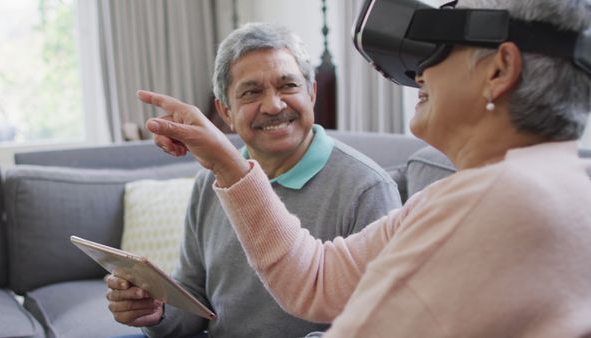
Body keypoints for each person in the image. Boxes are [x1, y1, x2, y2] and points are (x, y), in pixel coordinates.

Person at [133, 0, 591, 336]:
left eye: (438, 51)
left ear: (499, 69)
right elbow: (314, 281)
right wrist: (226, 163)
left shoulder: (497, 201)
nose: (417, 74)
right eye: (251, 93)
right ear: (226, 109)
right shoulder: (522, 184)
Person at [105, 22, 402, 338]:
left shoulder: (367, 188)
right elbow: (194, 297)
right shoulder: (211, 181)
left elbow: (379, 321)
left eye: (288, 85)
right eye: (251, 92)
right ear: (226, 112)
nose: (274, 105)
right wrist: (157, 312)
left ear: (311, 93)